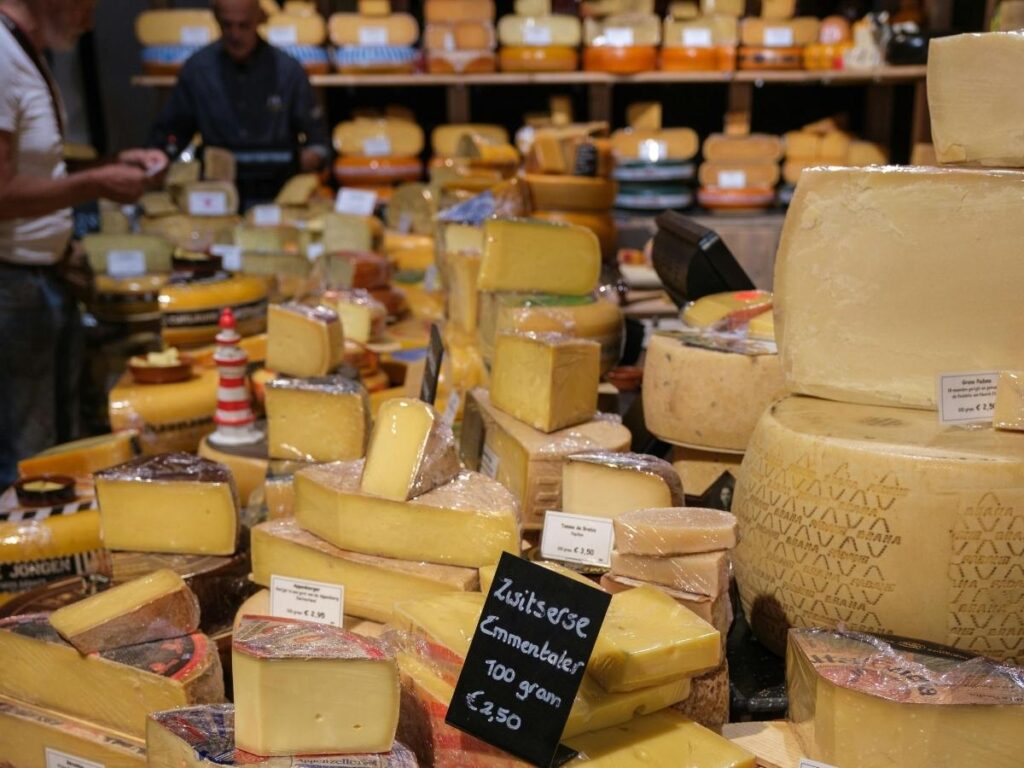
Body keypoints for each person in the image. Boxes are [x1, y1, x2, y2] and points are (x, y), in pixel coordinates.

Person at [0, 0, 167, 487]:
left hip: (42, 277)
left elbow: (38, 170)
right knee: (27, 461)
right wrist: (97, 185)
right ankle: (24, 558)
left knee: (57, 448)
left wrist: (110, 164)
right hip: (13, 284)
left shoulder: (24, 50)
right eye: (88, 3)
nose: (92, 19)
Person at [149, 0, 330, 208]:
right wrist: (158, 160)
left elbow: (318, 142)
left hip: (279, 196)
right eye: (227, 25)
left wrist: (306, 159)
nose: (235, 35)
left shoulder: (288, 72)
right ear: (216, 19)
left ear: (258, 20)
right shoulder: (198, 70)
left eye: (243, 25)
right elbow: (171, 133)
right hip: (215, 196)